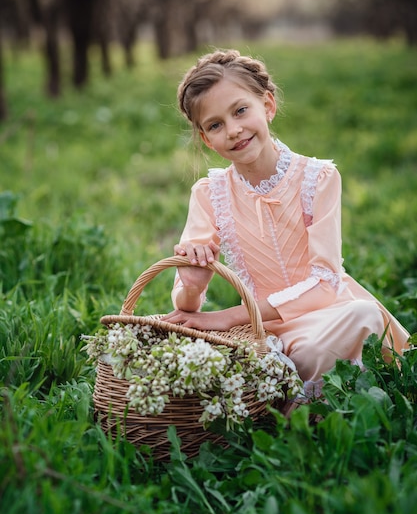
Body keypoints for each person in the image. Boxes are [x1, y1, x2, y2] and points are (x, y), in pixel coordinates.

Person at [161, 49, 409, 392]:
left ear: (268, 106)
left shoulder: (318, 178)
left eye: (241, 111)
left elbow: (326, 282)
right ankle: (297, 378)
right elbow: (186, 306)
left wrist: (228, 317)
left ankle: (297, 382)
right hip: (265, 330)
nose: (233, 130)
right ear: (206, 138)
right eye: (215, 125)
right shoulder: (209, 193)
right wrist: (190, 282)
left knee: (363, 314)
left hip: (328, 317)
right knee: (277, 352)